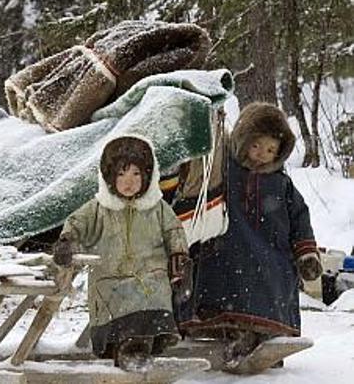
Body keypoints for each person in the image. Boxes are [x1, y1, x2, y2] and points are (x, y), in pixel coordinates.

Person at [180, 102, 322, 367]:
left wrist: (306, 254)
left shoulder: (282, 184)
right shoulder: (222, 170)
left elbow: (300, 218)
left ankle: (265, 335)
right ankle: (237, 332)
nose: (261, 155)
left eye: (270, 150)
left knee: (272, 270)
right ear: (242, 139)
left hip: (272, 252)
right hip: (225, 244)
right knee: (230, 263)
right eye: (255, 145)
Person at [53, 135, 190, 370]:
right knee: (119, 308)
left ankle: (139, 349)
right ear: (109, 177)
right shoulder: (98, 209)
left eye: (136, 174)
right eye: (121, 174)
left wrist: (178, 256)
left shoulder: (157, 208)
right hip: (110, 278)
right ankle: (126, 350)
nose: (129, 182)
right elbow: (76, 224)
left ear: (148, 176)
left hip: (150, 276)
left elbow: (174, 231)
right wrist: (67, 241)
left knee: (150, 302)